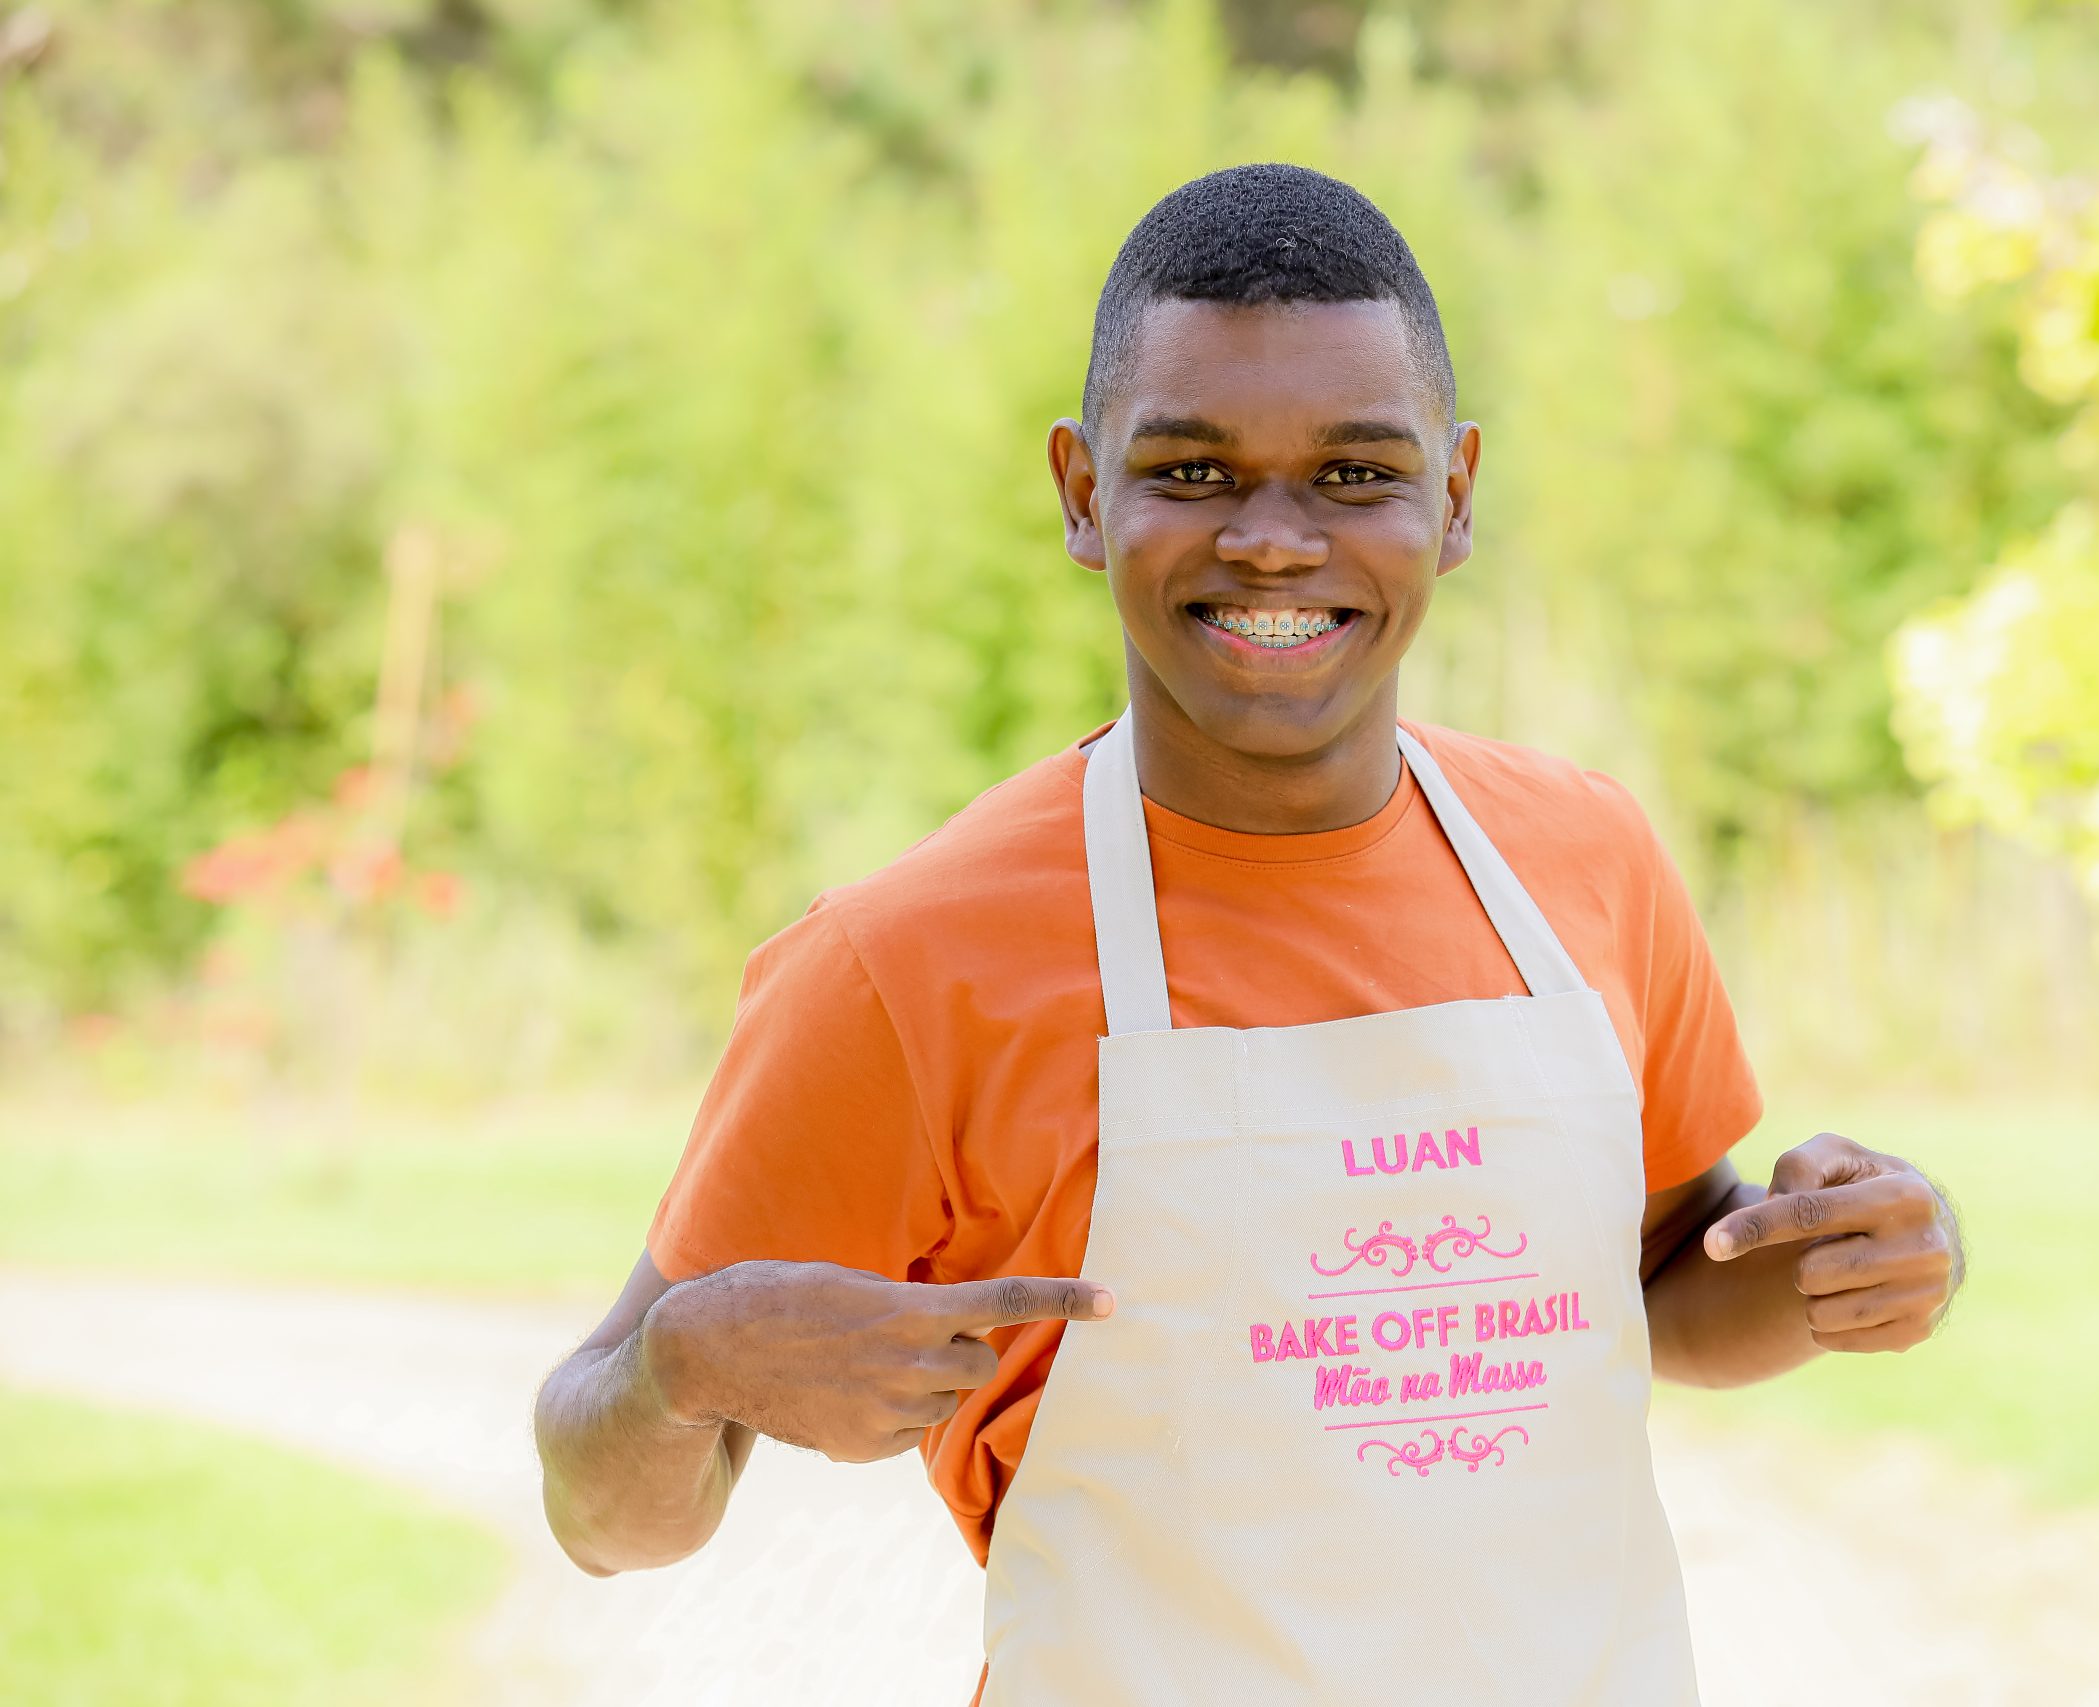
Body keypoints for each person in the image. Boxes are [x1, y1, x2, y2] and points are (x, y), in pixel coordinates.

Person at [533, 162, 1967, 1705]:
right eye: (1196, 473)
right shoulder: (905, 964)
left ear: (1456, 495)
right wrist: (685, 1368)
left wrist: (1854, 1267)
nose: (1274, 543)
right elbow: (603, 1517)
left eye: (1354, 474)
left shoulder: (1587, 857)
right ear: (1086, 495)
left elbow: (1674, 1280)